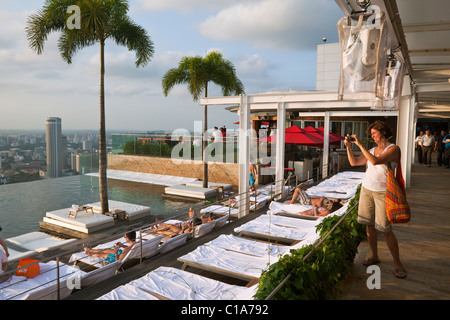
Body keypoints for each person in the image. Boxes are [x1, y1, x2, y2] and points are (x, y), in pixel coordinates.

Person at [345, 120, 406, 279]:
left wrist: (360, 145)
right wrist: (349, 147)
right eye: (370, 134)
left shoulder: (393, 149)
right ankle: (374, 255)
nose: (372, 136)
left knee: (385, 230)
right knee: (369, 226)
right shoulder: (371, 149)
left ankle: (398, 263)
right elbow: (354, 162)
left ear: (383, 132)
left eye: (374, 133)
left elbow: (376, 161)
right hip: (367, 190)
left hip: (382, 193)